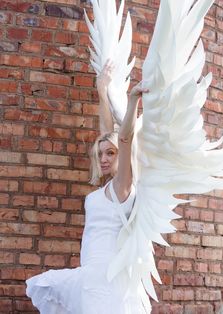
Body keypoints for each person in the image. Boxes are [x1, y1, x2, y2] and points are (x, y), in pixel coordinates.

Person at [26, 60, 149, 314]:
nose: (103, 159)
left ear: (121, 156)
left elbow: (123, 139)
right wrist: (101, 91)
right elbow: (108, 133)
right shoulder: (104, 190)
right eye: (100, 154)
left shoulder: (123, 187)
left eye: (110, 154)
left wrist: (133, 100)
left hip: (108, 280)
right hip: (89, 276)